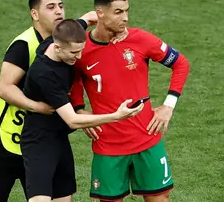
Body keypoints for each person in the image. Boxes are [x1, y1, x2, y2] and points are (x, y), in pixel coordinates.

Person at [0, 0, 98, 202]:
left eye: (61, 6)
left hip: (45, 137)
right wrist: (37, 107)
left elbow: (83, 21)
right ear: (34, 14)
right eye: (50, 7)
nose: (59, 11)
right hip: (5, 138)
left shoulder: (64, 39)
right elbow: (6, 89)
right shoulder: (24, 46)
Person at [69, 0, 190, 202]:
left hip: (147, 138)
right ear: (99, 13)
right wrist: (79, 109)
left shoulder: (140, 39)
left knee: (160, 198)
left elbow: (181, 64)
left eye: (126, 11)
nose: (125, 18)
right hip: (108, 145)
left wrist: (168, 106)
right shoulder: (81, 48)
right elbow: (73, 80)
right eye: (118, 12)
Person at [21, 19, 144, 202]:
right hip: (39, 141)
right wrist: (116, 116)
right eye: (73, 52)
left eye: (81, 50)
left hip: (60, 139)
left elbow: (93, 16)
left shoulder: (65, 36)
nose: (78, 57)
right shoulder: (44, 74)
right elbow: (72, 120)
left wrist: (119, 30)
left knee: (64, 198)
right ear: (56, 48)